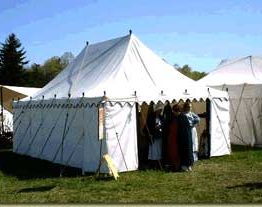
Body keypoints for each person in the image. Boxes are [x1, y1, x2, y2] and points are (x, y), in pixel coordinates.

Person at [178, 101, 200, 172]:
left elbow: (197, 119)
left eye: (190, 107)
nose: (190, 108)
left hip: (190, 131)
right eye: (188, 107)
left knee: (191, 146)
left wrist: (192, 123)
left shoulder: (191, 114)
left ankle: (190, 163)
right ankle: (184, 165)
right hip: (184, 133)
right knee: (185, 148)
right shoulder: (182, 115)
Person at [148, 103, 164, 169]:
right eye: (159, 110)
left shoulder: (161, 117)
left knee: (159, 150)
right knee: (153, 150)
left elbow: (164, 124)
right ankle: (153, 164)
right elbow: (149, 126)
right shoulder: (151, 117)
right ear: (156, 110)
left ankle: (158, 163)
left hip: (159, 136)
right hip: (153, 136)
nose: (160, 111)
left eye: (161, 110)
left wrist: (161, 126)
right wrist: (155, 127)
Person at [167, 104, 181, 171]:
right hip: (172, 138)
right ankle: (175, 166)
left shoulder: (178, 119)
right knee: (173, 152)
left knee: (175, 153)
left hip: (175, 138)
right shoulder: (173, 118)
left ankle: (176, 166)